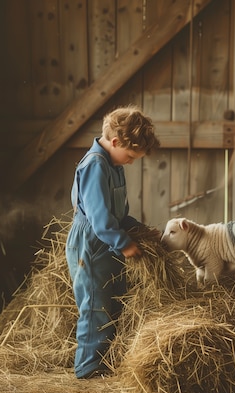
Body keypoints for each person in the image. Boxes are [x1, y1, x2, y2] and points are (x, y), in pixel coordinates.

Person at [65, 105, 160, 379]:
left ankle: (104, 364)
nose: (131, 161)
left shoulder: (113, 163)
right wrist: (124, 243)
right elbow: (100, 218)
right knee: (96, 306)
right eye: (130, 156)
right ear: (115, 142)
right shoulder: (95, 164)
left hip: (108, 242)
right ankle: (88, 371)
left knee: (113, 303)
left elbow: (119, 214)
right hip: (91, 244)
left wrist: (139, 230)